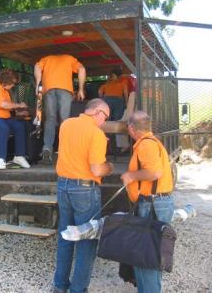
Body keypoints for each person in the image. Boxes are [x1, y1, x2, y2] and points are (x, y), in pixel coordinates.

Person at [54, 98, 114, 293]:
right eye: (105, 117)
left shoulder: (66, 124)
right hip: (84, 190)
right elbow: (97, 169)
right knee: (86, 240)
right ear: (97, 112)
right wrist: (110, 167)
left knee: (65, 237)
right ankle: (78, 289)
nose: (104, 122)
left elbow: (75, 145)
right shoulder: (96, 133)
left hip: (63, 185)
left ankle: (60, 286)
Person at [121, 111, 174, 293]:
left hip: (151, 205)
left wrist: (130, 176)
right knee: (151, 255)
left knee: (145, 256)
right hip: (155, 203)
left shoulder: (146, 145)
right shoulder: (152, 142)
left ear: (132, 128)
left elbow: (154, 173)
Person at [34, 54, 86, 164]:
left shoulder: (46, 58)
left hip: (49, 88)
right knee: (65, 121)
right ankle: (65, 151)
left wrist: (38, 83)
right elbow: (82, 69)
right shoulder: (70, 58)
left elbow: (37, 66)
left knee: (50, 119)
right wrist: (81, 89)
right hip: (65, 89)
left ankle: (47, 148)